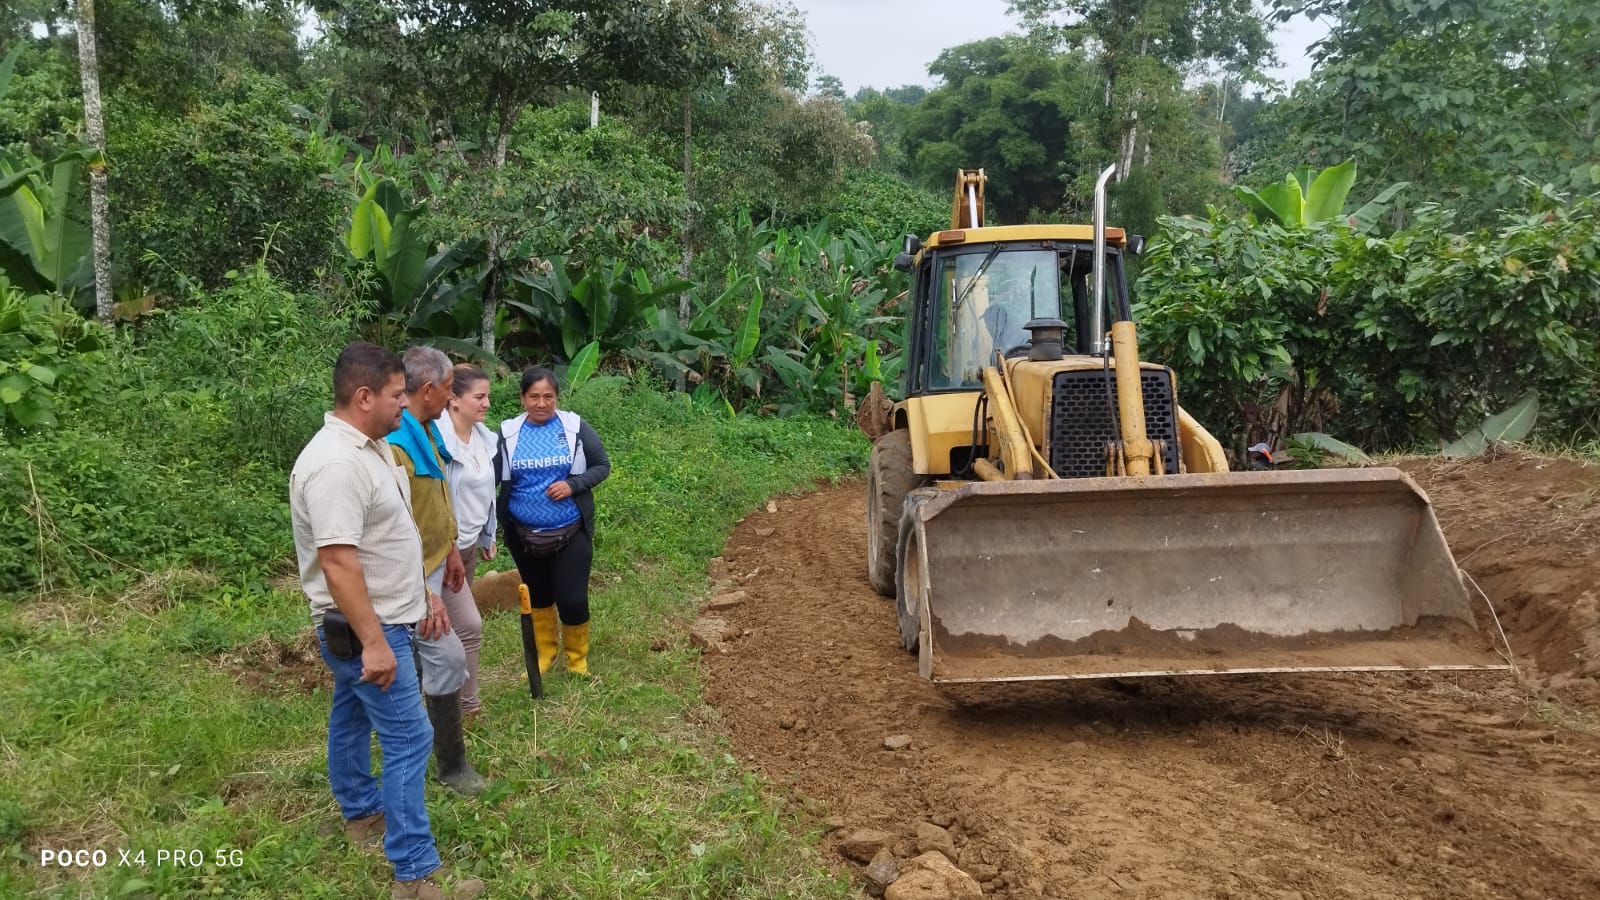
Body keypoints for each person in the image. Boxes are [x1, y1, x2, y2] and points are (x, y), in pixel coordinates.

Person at [289, 341, 484, 900]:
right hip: (368, 629)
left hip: (387, 617)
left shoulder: (372, 447)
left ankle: (362, 813)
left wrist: (422, 594)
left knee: (351, 716)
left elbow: (388, 539)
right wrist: (374, 642)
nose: (406, 403)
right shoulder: (335, 464)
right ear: (363, 396)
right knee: (409, 736)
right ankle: (414, 875)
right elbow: (338, 562)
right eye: (397, 394)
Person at [388, 347, 483, 795]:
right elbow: (395, 526)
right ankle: (450, 764)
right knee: (444, 656)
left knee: (455, 640)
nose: (451, 397)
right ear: (428, 389)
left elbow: (438, 499)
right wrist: (421, 589)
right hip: (410, 574)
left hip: (435, 563)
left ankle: (441, 751)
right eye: (448, 388)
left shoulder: (425, 431)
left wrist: (450, 549)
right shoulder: (396, 444)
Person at [497, 366, 610, 677]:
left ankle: (577, 661)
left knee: (572, 598)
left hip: (570, 530)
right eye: (534, 397)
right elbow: (488, 477)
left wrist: (573, 485)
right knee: (539, 596)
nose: (542, 403)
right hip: (524, 534)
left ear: (557, 397)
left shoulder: (574, 428)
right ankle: (545, 655)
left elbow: (602, 465)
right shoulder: (508, 434)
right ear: (522, 398)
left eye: (548, 396)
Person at [437, 364, 494, 722]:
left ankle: (440, 693)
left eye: (487, 396)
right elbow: (435, 502)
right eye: (479, 397)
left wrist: (489, 533)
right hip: (447, 550)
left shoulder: (484, 438)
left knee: (451, 627)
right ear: (454, 399)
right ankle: (467, 706)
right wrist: (449, 548)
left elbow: (486, 492)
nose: (486, 403)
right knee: (470, 626)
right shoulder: (439, 443)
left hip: (470, 545)